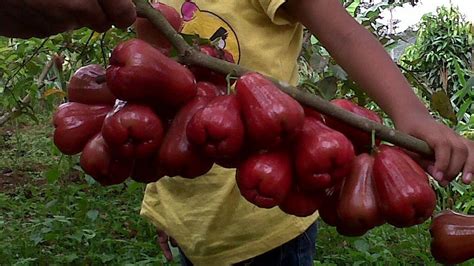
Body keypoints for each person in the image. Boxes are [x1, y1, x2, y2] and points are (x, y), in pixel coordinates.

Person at [2, 0, 474, 265]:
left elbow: (345, 32)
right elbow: (159, 111)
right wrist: (168, 215)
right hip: (189, 221)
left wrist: (410, 114)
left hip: (268, 233)